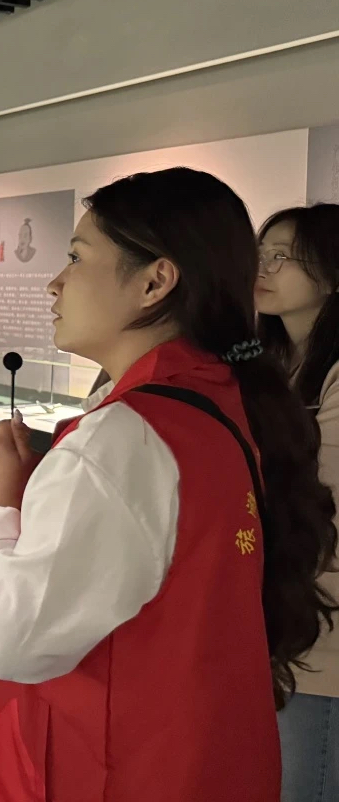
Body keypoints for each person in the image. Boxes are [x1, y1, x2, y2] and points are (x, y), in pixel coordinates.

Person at [0, 169, 338, 802]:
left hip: (109, 766)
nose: (55, 282)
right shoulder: (221, 396)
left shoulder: (120, 437)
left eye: (76, 257)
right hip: (192, 757)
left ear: (155, 281)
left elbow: (6, 639)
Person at [255, 204, 339, 802]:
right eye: (260, 254)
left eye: (281, 256)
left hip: (323, 634)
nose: (263, 267)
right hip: (281, 622)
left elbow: (321, 497)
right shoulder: (276, 365)